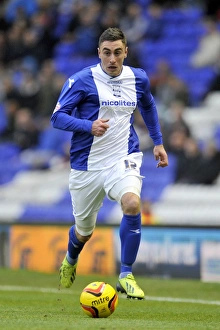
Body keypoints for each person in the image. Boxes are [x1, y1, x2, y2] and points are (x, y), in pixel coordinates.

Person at [51, 27, 168, 299]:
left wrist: (158, 142)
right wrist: (87, 125)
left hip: (122, 158)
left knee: (132, 203)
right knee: (83, 232)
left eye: (118, 52)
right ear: (99, 53)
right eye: (107, 53)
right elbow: (56, 118)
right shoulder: (81, 80)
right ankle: (70, 258)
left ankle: (126, 274)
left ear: (126, 52)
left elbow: (148, 105)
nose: (112, 59)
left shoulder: (138, 78)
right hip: (87, 166)